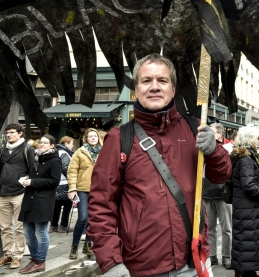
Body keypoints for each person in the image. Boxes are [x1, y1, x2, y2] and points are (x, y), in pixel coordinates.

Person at [88, 53, 231, 277]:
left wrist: (214, 150)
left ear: (173, 89)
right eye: (146, 81)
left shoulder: (194, 128)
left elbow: (221, 175)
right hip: (142, 267)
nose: (154, 87)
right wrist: (111, 262)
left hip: (193, 261)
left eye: (162, 81)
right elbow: (100, 207)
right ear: (136, 89)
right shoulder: (119, 139)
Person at [230, 126, 259, 277]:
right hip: (248, 208)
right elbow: (248, 187)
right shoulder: (246, 159)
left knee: (248, 243)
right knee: (248, 242)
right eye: (255, 138)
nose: (257, 141)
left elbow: (249, 181)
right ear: (250, 140)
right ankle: (246, 274)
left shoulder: (245, 156)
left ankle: (249, 273)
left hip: (246, 208)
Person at [0, 123, 35, 270]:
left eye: (12, 132)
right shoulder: (3, 150)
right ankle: (8, 254)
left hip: (19, 193)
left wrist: (26, 187)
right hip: (2, 193)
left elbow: (32, 171)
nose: (9, 135)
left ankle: (17, 256)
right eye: (7, 133)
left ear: (20, 133)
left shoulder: (27, 149)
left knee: (19, 227)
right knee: (5, 227)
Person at [18, 135, 62, 274]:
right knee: (28, 232)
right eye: (41, 142)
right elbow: (35, 176)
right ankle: (35, 259)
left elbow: (54, 181)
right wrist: (27, 179)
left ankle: (40, 261)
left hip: (43, 201)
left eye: (45, 143)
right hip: (29, 200)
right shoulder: (36, 158)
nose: (42, 144)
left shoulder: (55, 160)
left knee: (41, 233)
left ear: (52, 145)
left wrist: (33, 182)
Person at [67, 128, 101, 259]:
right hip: (82, 189)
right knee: (82, 218)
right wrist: (72, 188)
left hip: (98, 189)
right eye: (90, 136)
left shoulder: (103, 152)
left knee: (93, 219)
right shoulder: (80, 152)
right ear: (86, 138)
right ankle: (74, 246)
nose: (93, 138)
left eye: (95, 136)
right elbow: (72, 171)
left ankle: (88, 244)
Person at [203, 123, 233, 269]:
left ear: (220, 135)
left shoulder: (227, 149)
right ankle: (213, 256)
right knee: (210, 229)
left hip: (222, 194)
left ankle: (226, 256)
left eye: (212, 132)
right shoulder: (204, 147)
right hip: (207, 192)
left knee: (227, 228)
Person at [49, 136, 74, 233]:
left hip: (56, 183)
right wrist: (72, 179)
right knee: (68, 204)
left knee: (56, 205)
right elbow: (66, 168)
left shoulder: (56, 151)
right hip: (64, 183)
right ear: (66, 143)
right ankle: (63, 225)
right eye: (71, 143)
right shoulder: (64, 153)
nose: (72, 146)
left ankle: (53, 225)